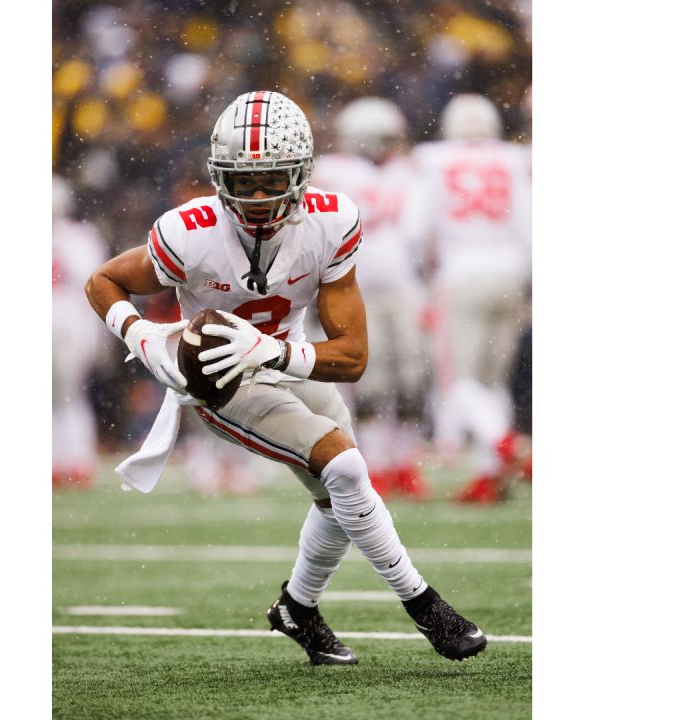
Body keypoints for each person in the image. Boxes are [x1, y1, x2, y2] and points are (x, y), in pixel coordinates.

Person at [86, 91, 486, 664]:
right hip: (222, 380)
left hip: (283, 358)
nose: (255, 196)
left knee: (341, 495)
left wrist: (272, 351)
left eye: (270, 178)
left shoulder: (330, 221)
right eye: (241, 180)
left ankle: (297, 609)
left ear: (299, 172)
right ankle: (425, 606)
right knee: (345, 467)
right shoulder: (189, 230)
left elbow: (352, 356)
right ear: (217, 176)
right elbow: (103, 281)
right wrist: (140, 334)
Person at [408, 93, 532, 503]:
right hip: (511, 272)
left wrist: (424, 275)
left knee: (458, 383)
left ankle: (505, 446)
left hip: (461, 275)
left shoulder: (432, 160)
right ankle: (490, 475)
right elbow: (531, 223)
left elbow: (414, 228)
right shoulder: (514, 160)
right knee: (492, 381)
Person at [312, 97, 431, 500]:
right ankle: (377, 464)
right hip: (359, 291)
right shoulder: (335, 172)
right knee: (371, 384)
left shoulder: (407, 172)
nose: (392, 145)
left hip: (401, 289)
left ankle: (405, 463)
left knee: (412, 381)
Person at [52, 175, 107, 489]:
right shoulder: (80, 237)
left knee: (66, 396)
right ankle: (69, 458)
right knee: (68, 397)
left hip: (66, 326)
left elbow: (91, 285)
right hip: (70, 325)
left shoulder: (77, 238)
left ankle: (73, 458)